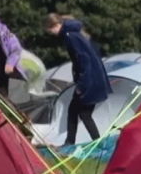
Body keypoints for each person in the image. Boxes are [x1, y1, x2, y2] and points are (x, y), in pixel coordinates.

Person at [46, 12, 110, 146]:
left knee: (83, 113)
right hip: (93, 78)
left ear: (56, 25)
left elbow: (83, 60)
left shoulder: (70, 36)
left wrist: (81, 85)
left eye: (50, 30)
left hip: (89, 80)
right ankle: (73, 141)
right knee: (76, 110)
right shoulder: (74, 33)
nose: (50, 33)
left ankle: (96, 143)